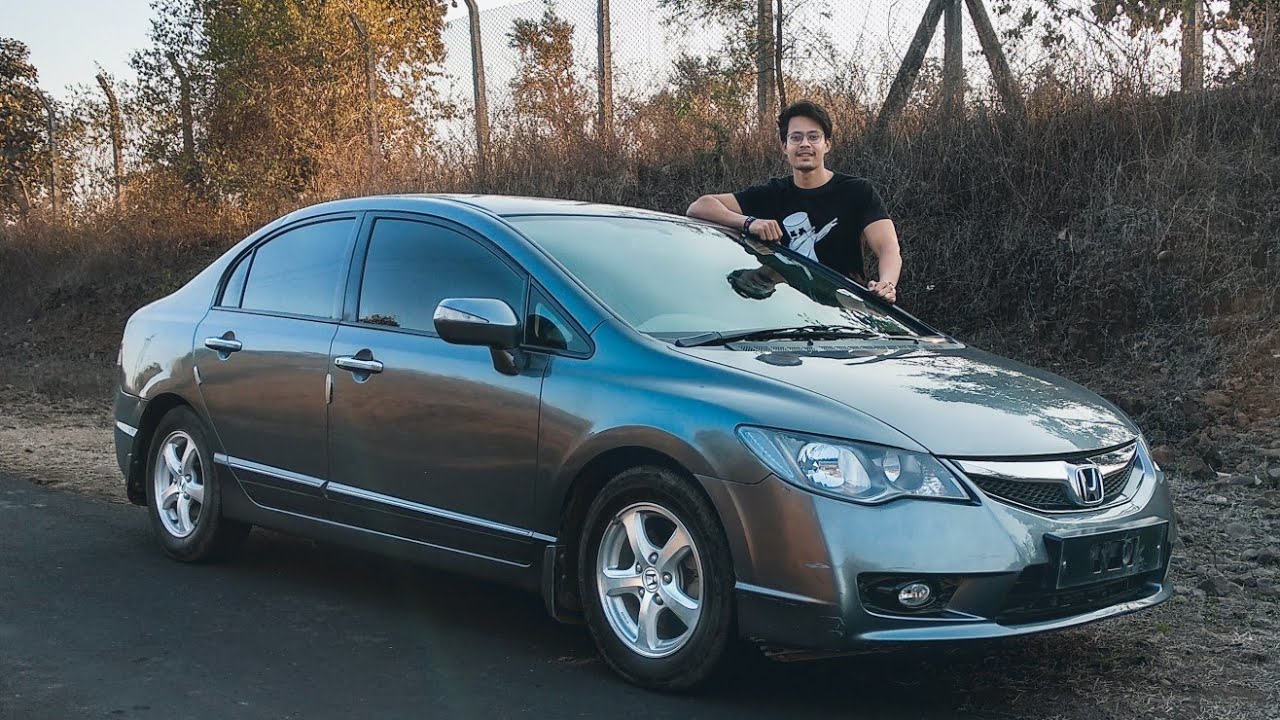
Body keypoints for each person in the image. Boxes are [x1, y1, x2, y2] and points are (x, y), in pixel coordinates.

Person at [686, 100, 902, 304]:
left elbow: (888, 247)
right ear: (784, 146)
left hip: (845, 314)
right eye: (796, 138)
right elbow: (700, 206)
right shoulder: (772, 194)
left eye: (813, 137)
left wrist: (887, 284)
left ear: (827, 144)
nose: (805, 144)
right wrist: (749, 222)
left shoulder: (857, 191)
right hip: (788, 314)